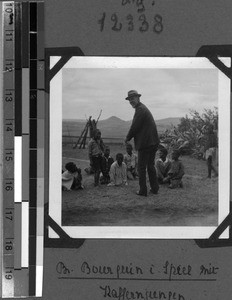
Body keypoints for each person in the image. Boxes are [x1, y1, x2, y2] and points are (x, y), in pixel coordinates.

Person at [124, 90, 159, 196]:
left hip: (146, 143)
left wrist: (127, 138)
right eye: (129, 99)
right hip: (153, 142)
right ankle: (155, 189)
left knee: (141, 168)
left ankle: (143, 191)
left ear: (138, 98)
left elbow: (134, 126)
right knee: (150, 166)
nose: (131, 101)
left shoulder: (140, 109)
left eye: (132, 98)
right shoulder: (142, 108)